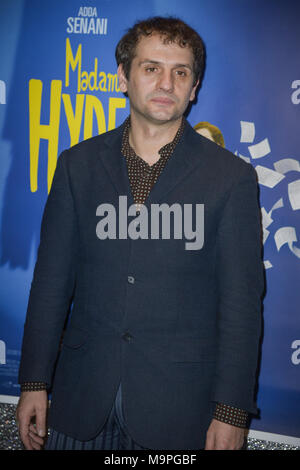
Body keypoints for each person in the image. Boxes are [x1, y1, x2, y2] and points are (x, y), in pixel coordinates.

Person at [16, 16, 264, 451]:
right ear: (123, 78)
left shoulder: (231, 178)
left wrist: (231, 411)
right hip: (80, 402)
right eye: (151, 68)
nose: (166, 82)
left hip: (180, 412)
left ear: (195, 87)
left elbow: (241, 306)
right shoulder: (77, 166)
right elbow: (51, 283)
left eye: (180, 72)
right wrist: (34, 380)